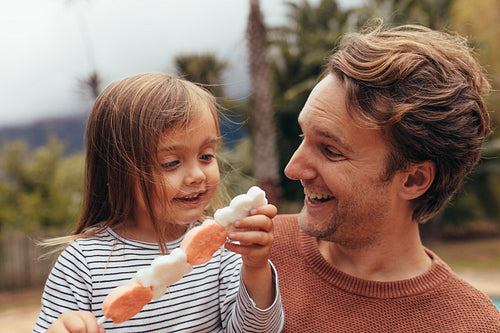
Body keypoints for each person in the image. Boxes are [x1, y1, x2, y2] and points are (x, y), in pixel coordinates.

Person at [269, 22, 500, 332]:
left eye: (330, 150)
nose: (293, 169)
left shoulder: (473, 325)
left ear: (413, 180)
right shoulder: (245, 253)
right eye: (303, 136)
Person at [34, 72, 284, 333]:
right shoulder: (81, 264)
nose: (197, 174)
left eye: (206, 156)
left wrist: (256, 269)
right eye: (171, 163)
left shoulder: (223, 249)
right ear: (117, 171)